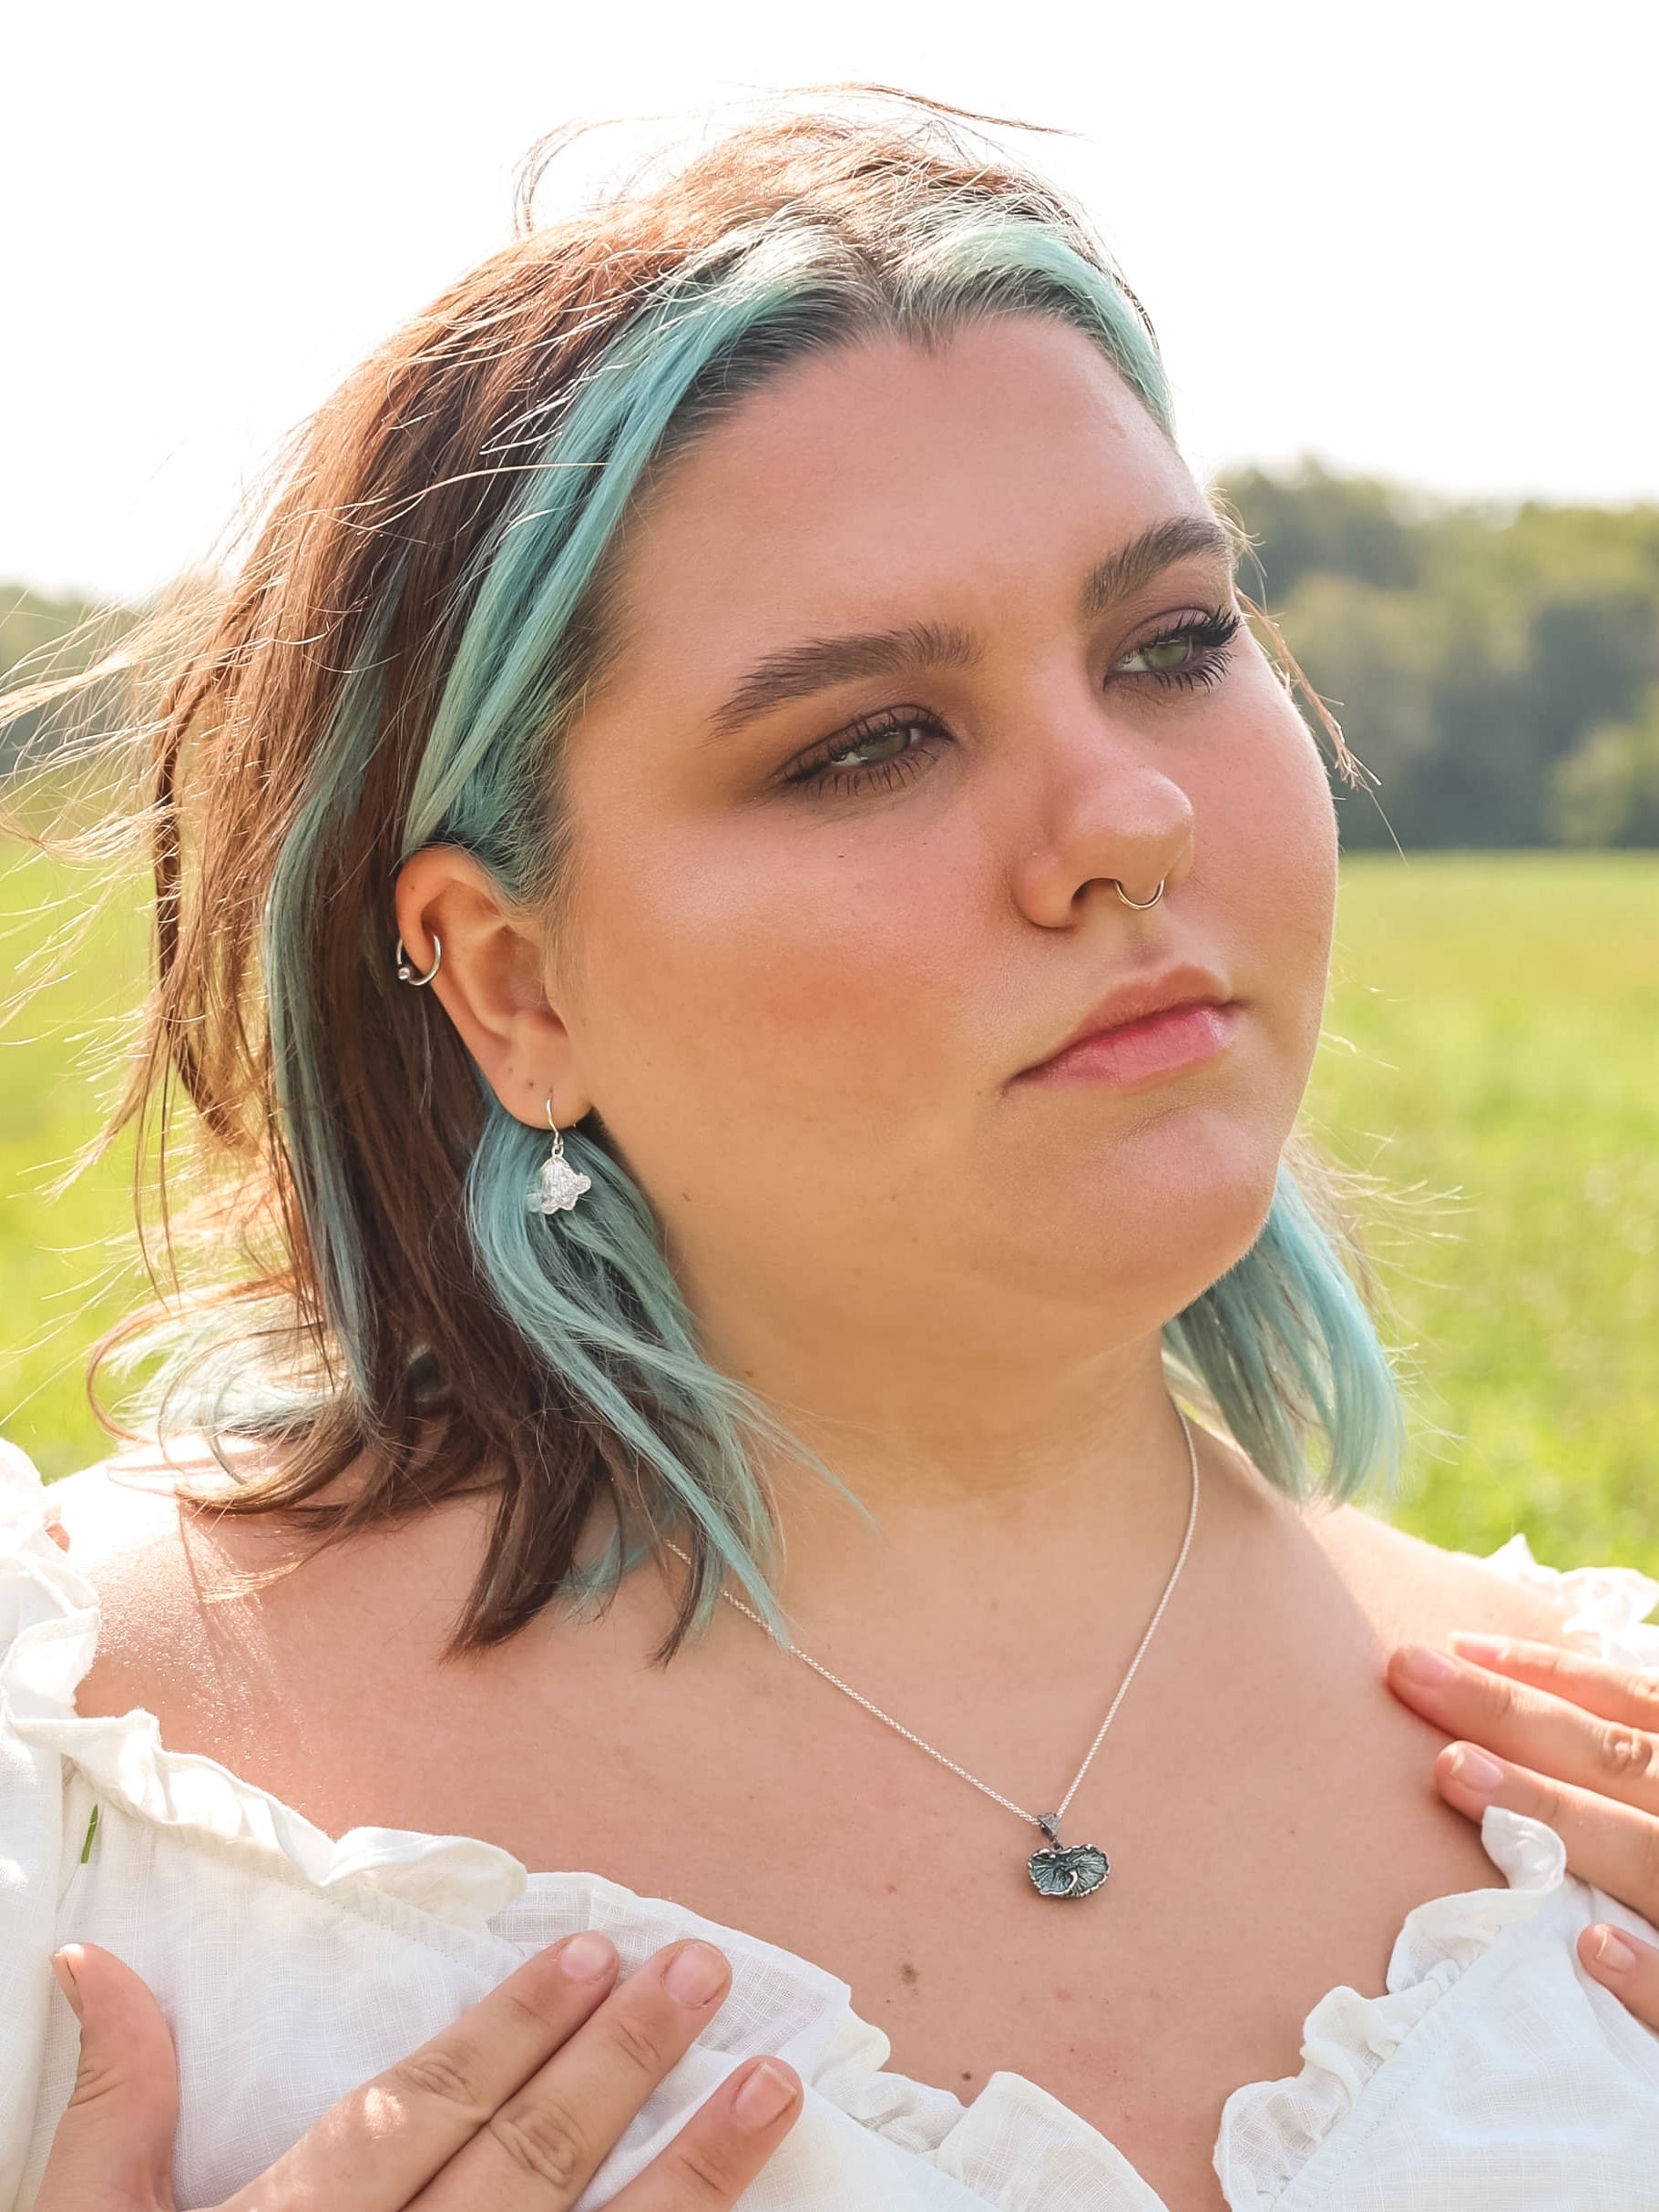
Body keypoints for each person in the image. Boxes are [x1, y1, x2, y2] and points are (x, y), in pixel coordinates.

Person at [4, 91, 1658, 2212]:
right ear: (509, 981)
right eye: (865, 740)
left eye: (1170, 641)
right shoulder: (86, 1802)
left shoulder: (1591, 1785)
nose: (1126, 821)